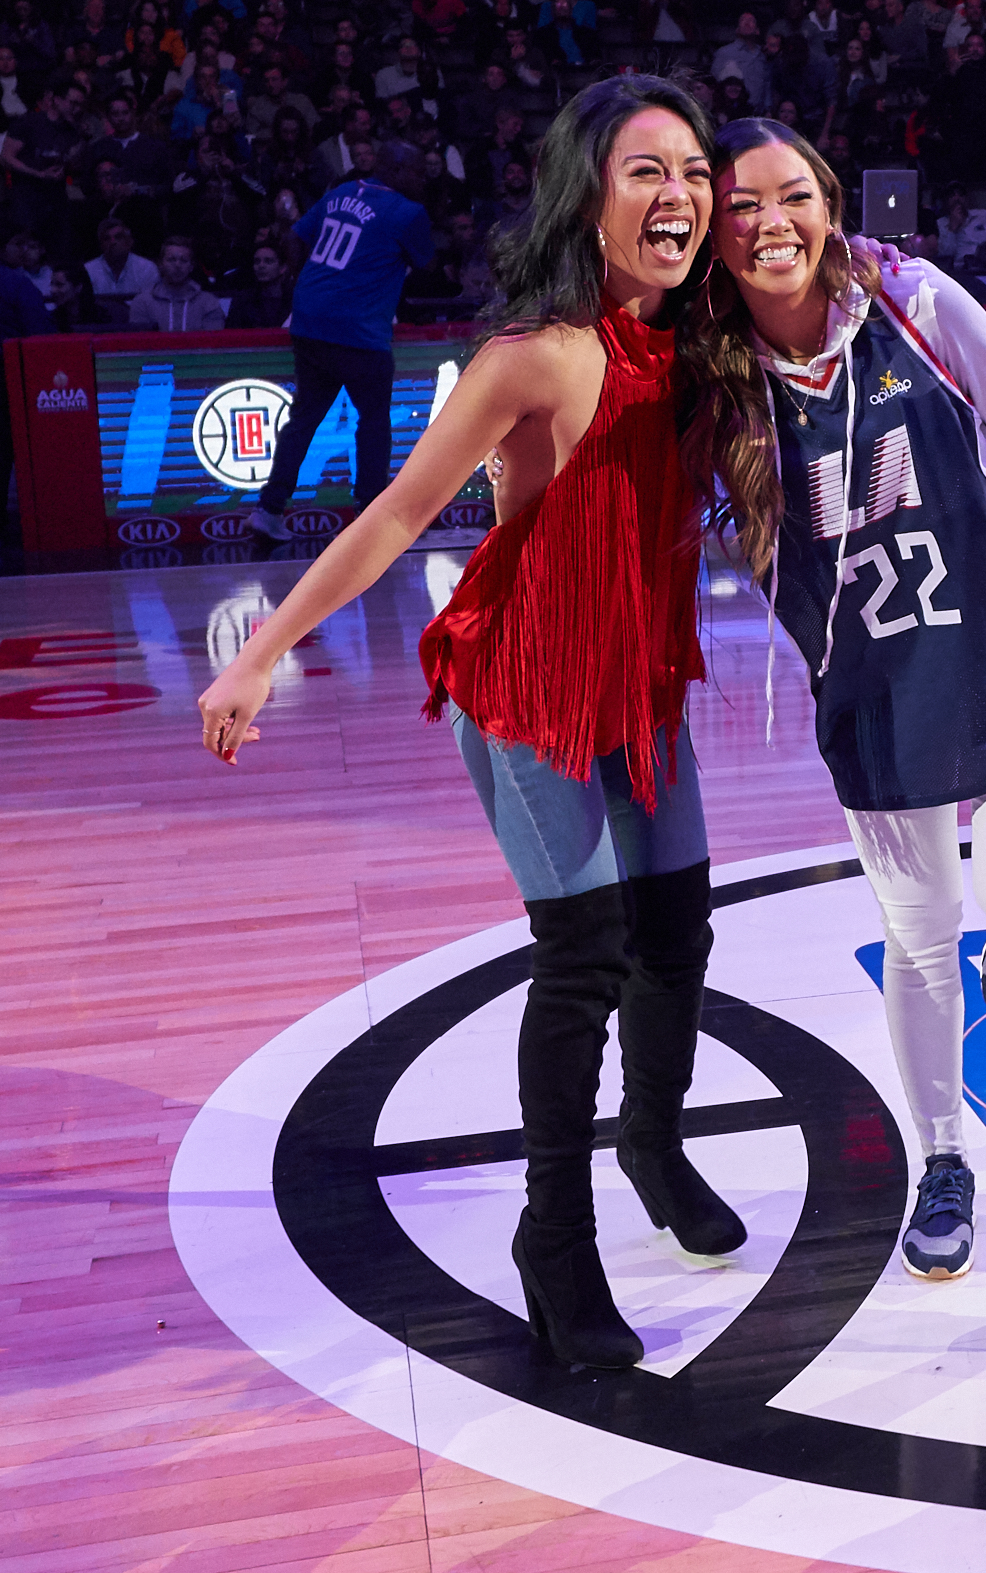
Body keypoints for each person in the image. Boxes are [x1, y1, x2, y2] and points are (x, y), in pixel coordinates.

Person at [196, 75, 736, 1375]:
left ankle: (655, 1144)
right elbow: (395, 513)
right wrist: (260, 651)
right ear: (588, 196)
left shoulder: (701, 339)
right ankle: (557, 1240)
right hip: (532, 673)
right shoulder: (533, 353)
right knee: (589, 950)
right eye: (646, 170)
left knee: (679, 926)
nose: (679, 194)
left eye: (694, 171)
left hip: (638, 672)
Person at [683, 119, 986, 1282]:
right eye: (743, 206)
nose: (771, 222)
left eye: (793, 196)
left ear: (831, 203)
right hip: (875, 683)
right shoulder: (707, 378)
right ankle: (944, 1160)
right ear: (711, 231)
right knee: (921, 939)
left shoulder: (917, 301)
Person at [247, 151, 436, 541]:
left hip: (309, 318)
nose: (425, 180)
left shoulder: (343, 191)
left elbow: (294, 236)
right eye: (419, 171)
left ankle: (268, 509)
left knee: (303, 418)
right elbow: (426, 265)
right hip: (359, 329)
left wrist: (310, 279)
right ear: (400, 171)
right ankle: (369, 517)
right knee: (373, 423)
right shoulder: (408, 212)